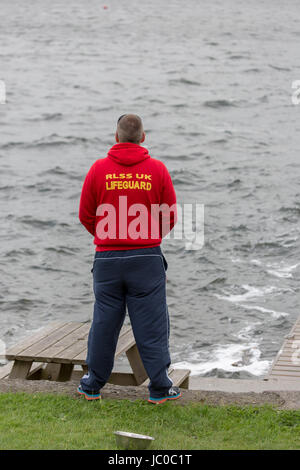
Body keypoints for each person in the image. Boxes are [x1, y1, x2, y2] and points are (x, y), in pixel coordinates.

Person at [77, 114, 181, 404]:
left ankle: (92, 385)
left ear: (116, 136)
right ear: (143, 137)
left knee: (104, 323)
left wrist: (107, 235)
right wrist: (147, 236)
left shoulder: (98, 169)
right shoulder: (157, 169)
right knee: (152, 325)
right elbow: (169, 214)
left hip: (107, 258)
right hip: (145, 257)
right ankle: (159, 387)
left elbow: (86, 213)